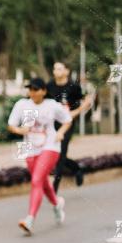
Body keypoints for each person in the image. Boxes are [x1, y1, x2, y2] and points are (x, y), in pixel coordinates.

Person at [7, 77, 72, 236]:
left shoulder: (51, 105)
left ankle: (29, 219)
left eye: (36, 89)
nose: (32, 92)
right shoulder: (22, 105)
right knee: (42, 182)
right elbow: (11, 125)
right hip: (29, 147)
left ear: (43, 91)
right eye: (30, 89)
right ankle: (57, 204)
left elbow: (67, 120)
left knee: (36, 180)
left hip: (50, 146)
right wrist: (19, 130)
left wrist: (61, 133)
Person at [46, 61, 91, 191]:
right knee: (53, 152)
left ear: (66, 71)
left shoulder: (73, 87)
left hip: (67, 123)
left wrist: (74, 112)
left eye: (60, 69)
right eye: (55, 69)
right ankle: (77, 169)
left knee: (61, 152)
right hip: (51, 123)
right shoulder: (49, 86)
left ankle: (54, 188)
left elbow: (84, 102)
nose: (57, 72)